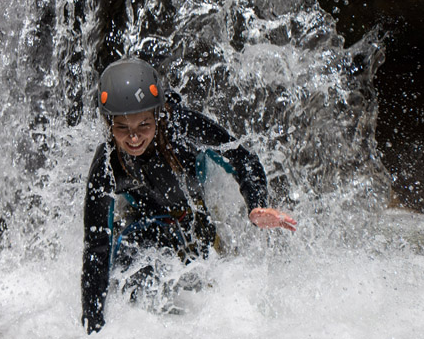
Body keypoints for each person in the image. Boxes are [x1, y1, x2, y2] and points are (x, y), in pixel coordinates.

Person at [80, 58, 297, 334]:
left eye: (143, 125)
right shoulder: (107, 163)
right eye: (123, 127)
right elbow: (97, 248)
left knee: (219, 291)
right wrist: (92, 326)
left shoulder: (183, 128)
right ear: (109, 124)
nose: (133, 138)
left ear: (157, 115)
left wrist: (256, 205)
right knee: (129, 282)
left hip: (196, 219)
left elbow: (241, 158)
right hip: (142, 225)